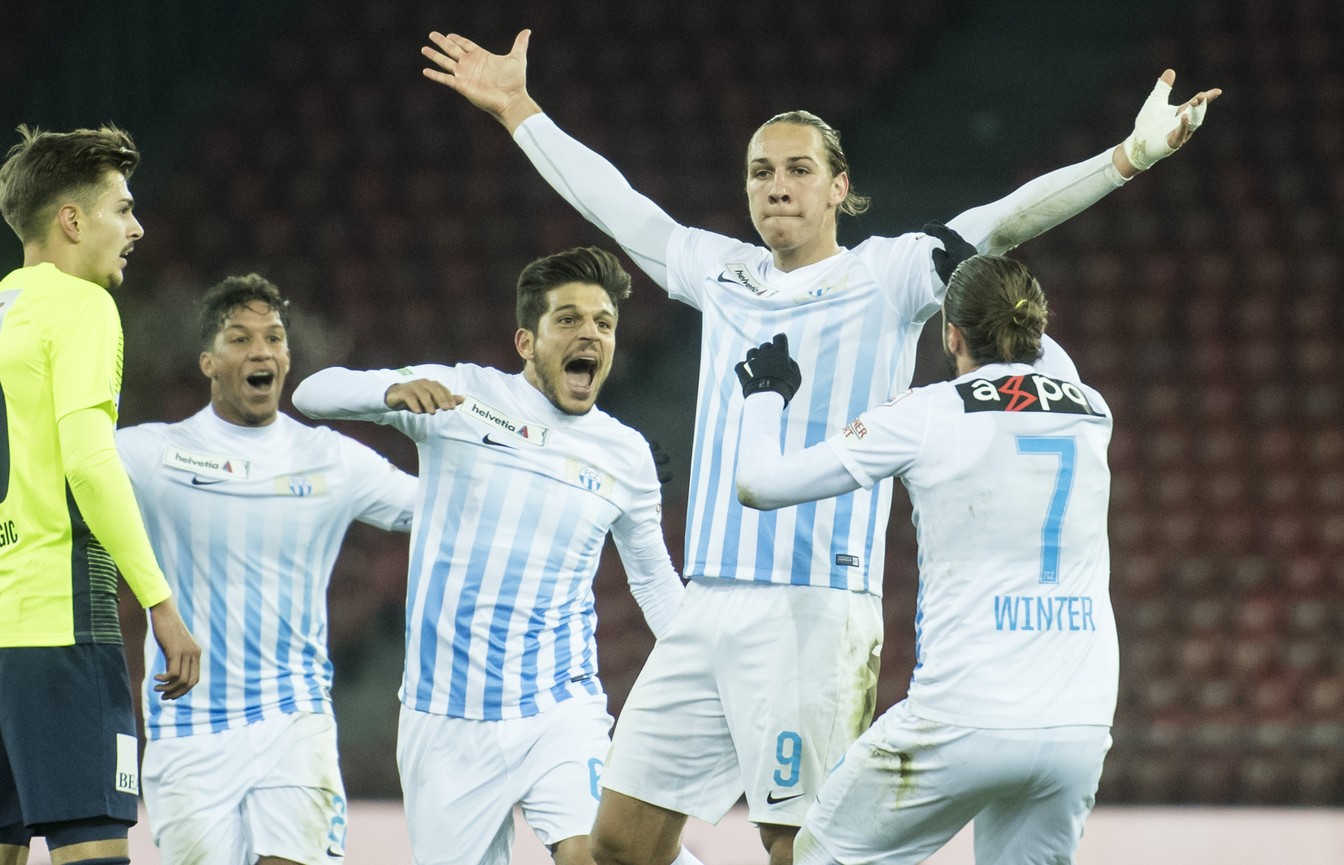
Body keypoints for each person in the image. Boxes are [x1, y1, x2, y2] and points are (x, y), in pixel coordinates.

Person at [420, 30, 1216, 865]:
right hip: (708, 601)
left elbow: (1006, 220)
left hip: (813, 607)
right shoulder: (718, 272)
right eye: (761, 171)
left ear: (840, 186)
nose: (776, 186)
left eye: (799, 168)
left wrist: (1128, 156)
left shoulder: (893, 274)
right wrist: (518, 110)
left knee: (798, 847)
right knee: (619, 844)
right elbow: (616, 206)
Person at [291, 246, 692, 865]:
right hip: (442, 722)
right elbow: (314, 394)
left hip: (559, 708)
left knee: (599, 855)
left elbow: (655, 582)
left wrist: (708, 667)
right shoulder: (462, 398)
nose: (590, 334)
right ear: (526, 342)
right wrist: (392, 391)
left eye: (603, 323)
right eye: (569, 320)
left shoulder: (626, 453)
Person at [732, 254, 1115, 865]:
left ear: (951, 334)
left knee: (812, 859)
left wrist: (763, 396)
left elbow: (760, 484)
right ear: (1034, 329)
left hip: (961, 720)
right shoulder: (1093, 408)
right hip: (1079, 724)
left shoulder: (927, 412)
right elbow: (1041, 360)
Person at [0, 125, 200, 865]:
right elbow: (89, 461)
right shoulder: (81, 307)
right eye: (122, 209)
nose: (136, 227)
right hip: (59, 626)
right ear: (71, 220)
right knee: (93, 847)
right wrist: (161, 603)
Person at [115, 274, 416, 864]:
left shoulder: (330, 457)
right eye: (240, 338)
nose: (261, 350)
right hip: (188, 732)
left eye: (274, 338)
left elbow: (435, 509)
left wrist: (565, 473)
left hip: (293, 722)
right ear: (208, 360)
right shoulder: (154, 453)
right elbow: (55, 457)